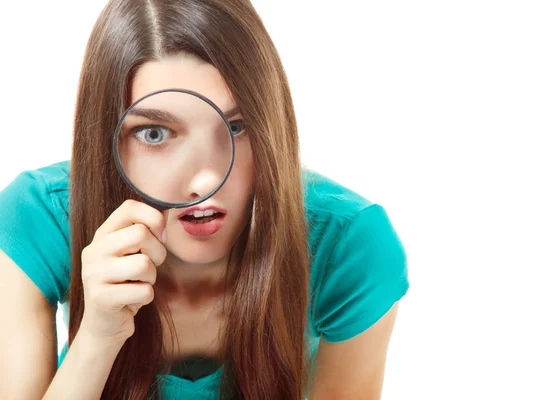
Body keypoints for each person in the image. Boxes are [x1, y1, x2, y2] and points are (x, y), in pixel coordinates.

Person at [0, 0, 409, 399]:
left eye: (236, 126)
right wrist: (96, 339)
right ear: (108, 143)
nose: (205, 180)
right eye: (155, 133)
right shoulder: (38, 216)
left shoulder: (349, 245)